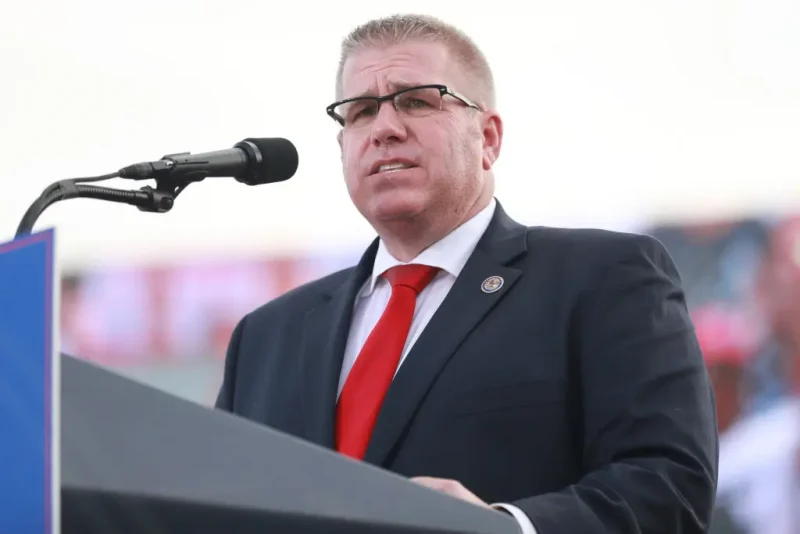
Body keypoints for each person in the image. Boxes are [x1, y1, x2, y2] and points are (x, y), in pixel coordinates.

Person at [215, 13, 718, 534]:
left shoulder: (602, 278)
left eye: (416, 100)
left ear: (488, 138)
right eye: (361, 111)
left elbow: (669, 488)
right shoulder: (267, 336)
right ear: (342, 146)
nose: (385, 128)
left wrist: (506, 527)